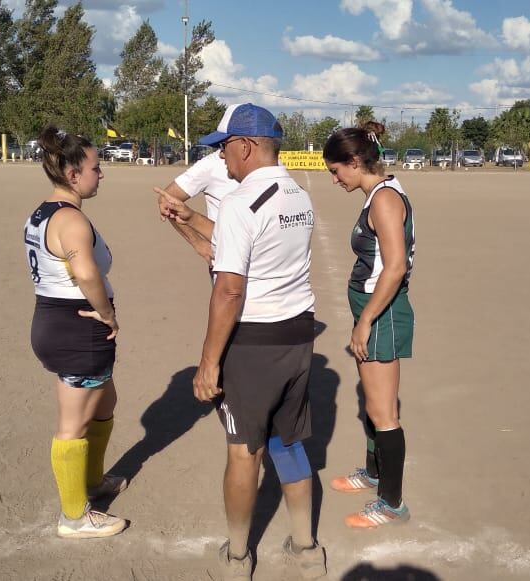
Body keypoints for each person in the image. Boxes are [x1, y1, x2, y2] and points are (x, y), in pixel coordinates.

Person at [160, 103, 327, 579]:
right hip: (297, 335)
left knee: (242, 451)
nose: (221, 160)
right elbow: (240, 243)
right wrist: (188, 218)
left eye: (224, 148)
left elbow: (230, 288)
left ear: (246, 145)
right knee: (289, 443)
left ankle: (236, 556)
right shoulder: (297, 194)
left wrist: (209, 362)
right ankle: (306, 547)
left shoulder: (239, 202)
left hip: (253, 342)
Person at [22, 125, 129, 539]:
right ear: (72, 174)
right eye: (96, 168)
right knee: (74, 422)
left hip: (55, 321)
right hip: (76, 328)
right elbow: (85, 271)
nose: (100, 174)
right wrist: (107, 314)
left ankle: (91, 479)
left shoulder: (43, 212)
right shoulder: (71, 220)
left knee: (105, 401)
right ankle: (74, 515)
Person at [322, 121, 416, 529]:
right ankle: (374, 472)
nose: (334, 178)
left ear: (355, 161)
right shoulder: (377, 195)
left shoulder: (384, 200)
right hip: (372, 312)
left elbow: (393, 268)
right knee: (372, 402)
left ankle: (391, 505)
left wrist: (365, 324)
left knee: (383, 410)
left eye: (336, 170)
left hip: (383, 314)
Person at [155, 146, 235, 262]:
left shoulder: (269, 165)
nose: (222, 153)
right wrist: (198, 242)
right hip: (227, 261)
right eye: (222, 144)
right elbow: (167, 199)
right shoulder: (212, 164)